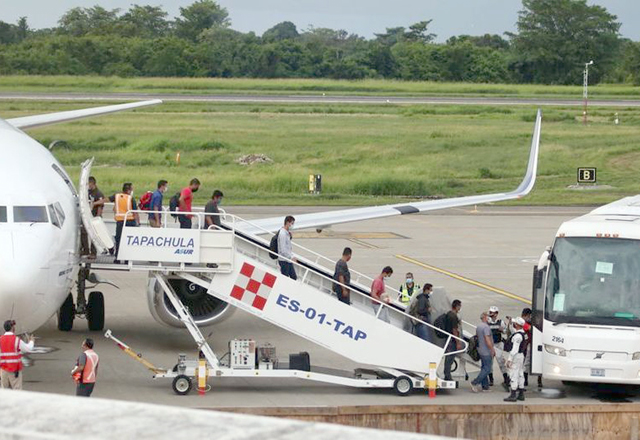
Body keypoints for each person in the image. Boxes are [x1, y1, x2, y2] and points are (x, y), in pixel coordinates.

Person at [109, 182, 139, 262]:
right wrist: (137, 223)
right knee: (128, 241)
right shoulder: (130, 198)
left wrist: (95, 203)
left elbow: (106, 200)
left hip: (120, 222)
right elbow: (135, 212)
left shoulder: (117, 196)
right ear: (128, 190)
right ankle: (127, 259)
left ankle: (117, 258)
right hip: (130, 222)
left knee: (119, 240)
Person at [0, 320, 34, 390]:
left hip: (3, 371)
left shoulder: (0, 340)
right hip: (14, 371)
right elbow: (28, 349)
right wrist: (31, 341)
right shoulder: (16, 340)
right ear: (12, 328)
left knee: (4, 392)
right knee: (17, 392)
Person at [81, 176, 106, 258]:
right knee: (83, 231)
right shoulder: (87, 192)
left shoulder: (98, 193)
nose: (87, 185)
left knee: (94, 235)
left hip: (94, 216)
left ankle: (93, 253)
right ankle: (85, 250)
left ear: (92, 183)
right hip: (87, 216)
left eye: (88, 184)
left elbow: (100, 206)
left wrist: (98, 217)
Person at [504, 317, 528, 402]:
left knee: (513, 374)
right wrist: (510, 323)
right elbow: (513, 331)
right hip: (521, 356)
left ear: (517, 325)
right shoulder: (523, 334)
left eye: (515, 323)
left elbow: (514, 349)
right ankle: (521, 393)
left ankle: (513, 394)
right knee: (520, 373)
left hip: (516, 356)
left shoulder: (517, 336)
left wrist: (509, 359)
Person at [470, 312, 495, 392]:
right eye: (488, 316)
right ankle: (475, 382)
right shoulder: (486, 327)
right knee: (487, 369)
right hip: (486, 351)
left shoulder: (479, 326)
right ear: (485, 317)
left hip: (480, 349)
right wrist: (492, 349)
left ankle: (485, 386)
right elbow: (487, 340)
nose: (490, 318)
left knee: (484, 368)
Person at [487, 305, 509, 389]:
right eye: (490, 312)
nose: (491, 314)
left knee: (501, 362)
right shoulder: (487, 322)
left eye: (493, 313)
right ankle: (491, 379)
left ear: (496, 314)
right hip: (490, 345)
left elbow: (506, 332)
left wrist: (502, 330)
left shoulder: (501, 322)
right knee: (489, 363)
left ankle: (506, 379)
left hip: (498, 344)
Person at [520, 307, 542, 389]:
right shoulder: (523, 323)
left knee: (536, 361)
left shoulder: (532, 322)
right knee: (526, 362)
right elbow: (528, 328)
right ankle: (525, 380)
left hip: (533, 343)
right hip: (527, 344)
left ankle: (539, 380)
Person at [443, 299, 463, 381]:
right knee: (450, 358)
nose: (460, 308)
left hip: (448, 339)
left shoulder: (449, 314)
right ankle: (447, 376)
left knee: (449, 358)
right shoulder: (453, 316)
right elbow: (454, 330)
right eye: (460, 306)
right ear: (457, 306)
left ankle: (447, 375)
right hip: (452, 340)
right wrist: (458, 342)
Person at [277, 215, 297, 280]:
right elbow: (283, 250)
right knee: (286, 278)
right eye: (292, 223)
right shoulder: (282, 234)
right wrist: (291, 257)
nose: (292, 225)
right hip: (284, 260)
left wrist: (292, 256)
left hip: (288, 259)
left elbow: (288, 247)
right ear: (288, 223)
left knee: (293, 277)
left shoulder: (287, 233)